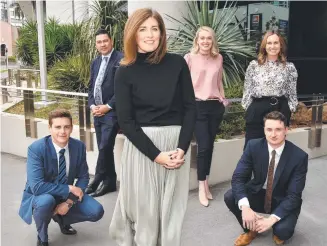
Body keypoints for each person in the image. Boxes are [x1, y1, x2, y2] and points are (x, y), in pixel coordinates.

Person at [109, 8, 196, 246]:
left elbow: (190, 108)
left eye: (154, 29)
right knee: (145, 214)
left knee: (172, 214)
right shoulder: (124, 71)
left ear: (162, 33)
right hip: (142, 149)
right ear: (133, 34)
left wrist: (182, 148)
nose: (150, 35)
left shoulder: (178, 63)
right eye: (143, 29)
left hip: (176, 146)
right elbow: (126, 122)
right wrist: (157, 156)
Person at [18, 109, 104, 246]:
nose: (62, 132)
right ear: (50, 128)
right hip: (41, 194)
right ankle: (42, 236)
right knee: (46, 201)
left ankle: (62, 219)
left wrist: (69, 202)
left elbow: (83, 177)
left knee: (96, 211)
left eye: (66, 127)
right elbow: (37, 186)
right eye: (57, 127)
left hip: (64, 195)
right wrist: (69, 188)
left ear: (71, 128)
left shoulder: (78, 146)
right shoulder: (36, 149)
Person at [224, 111, 308, 246]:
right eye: (269, 129)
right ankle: (250, 230)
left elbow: (294, 195)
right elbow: (238, 178)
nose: (273, 134)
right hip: (259, 193)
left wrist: (271, 220)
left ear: (286, 130)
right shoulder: (253, 146)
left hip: (282, 198)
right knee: (230, 196)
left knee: (283, 231)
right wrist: (245, 207)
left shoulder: (299, 157)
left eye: (278, 129)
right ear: (264, 130)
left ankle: (276, 227)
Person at [184, 26, 227, 207]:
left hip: (215, 106)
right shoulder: (189, 58)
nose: (205, 42)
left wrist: (223, 101)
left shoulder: (219, 58)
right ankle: (201, 185)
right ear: (197, 40)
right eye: (202, 38)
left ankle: (206, 182)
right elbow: (183, 84)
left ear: (212, 40)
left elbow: (219, 82)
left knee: (209, 147)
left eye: (208, 38)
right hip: (197, 106)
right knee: (203, 147)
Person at [242, 30, 298, 148]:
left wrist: (289, 109)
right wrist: (249, 108)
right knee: (252, 147)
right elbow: (247, 89)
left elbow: (292, 93)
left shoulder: (289, 67)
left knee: (275, 149)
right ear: (264, 46)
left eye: (276, 43)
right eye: (269, 43)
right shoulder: (254, 65)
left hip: (280, 108)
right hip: (258, 108)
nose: (273, 46)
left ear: (281, 45)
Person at [86, 29, 123, 197]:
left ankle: (99, 177)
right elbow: (91, 86)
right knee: (104, 148)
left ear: (111, 41)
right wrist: (92, 105)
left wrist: (108, 106)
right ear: (96, 44)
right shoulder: (95, 62)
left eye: (105, 41)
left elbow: (123, 89)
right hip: (97, 112)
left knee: (105, 146)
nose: (102, 44)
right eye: (99, 42)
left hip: (111, 112)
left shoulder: (120, 60)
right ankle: (110, 182)